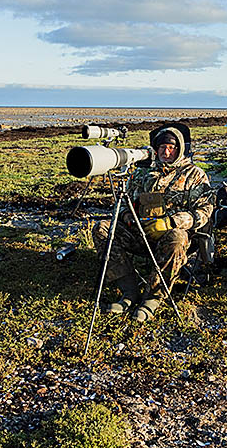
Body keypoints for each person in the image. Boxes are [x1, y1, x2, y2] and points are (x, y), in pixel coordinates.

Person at [92, 124, 214, 322]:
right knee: (103, 229)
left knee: (176, 238)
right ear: (155, 149)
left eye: (172, 148)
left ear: (180, 149)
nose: (166, 151)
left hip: (172, 236)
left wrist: (171, 222)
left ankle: (153, 298)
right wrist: (129, 218)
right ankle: (129, 292)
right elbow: (122, 203)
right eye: (162, 147)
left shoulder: (195, 175)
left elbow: (205, 211)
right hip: (140, 233)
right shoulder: (142, 173)